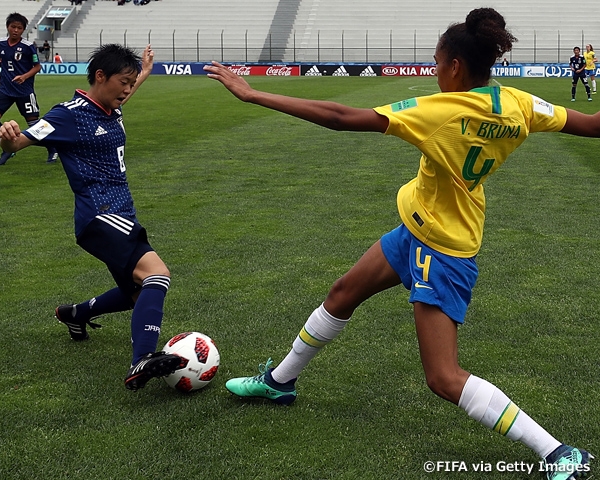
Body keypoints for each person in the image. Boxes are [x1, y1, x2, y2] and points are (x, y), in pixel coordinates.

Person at [205, 7, 594, 478]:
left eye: (436, 62)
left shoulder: (441, 111)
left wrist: (252, 95)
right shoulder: (520, 105)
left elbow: (340, 116)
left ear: (454, 67)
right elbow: (592, 124)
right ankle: (280, 382)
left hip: (443, 250)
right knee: (342, 293)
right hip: (418, 230)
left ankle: (557, 452)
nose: (433, 70)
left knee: (443, 378)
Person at [0, 44, 183, 391]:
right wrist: (7, 139)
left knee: (135, 295)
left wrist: (141, 71)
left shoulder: (111, 107)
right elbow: (19, 142)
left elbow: (126, 89)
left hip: (120, 213)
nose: (128, 91)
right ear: (100, 77)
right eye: (123, 83)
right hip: (100, 215)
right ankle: (141, 359)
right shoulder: (68, 114)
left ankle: (75, 314)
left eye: (132, 84)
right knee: (157, 275)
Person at [0, 12, 59, 166]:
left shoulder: (28, 47)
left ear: (23, 30)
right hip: (6, 90)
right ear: (7, 27)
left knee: (34, 126)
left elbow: (38, 66)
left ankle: (53, 146)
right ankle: (7, 149)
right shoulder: (0, 43)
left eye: (19, 28)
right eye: (13, 26)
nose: (15, 30)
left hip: (24, 92)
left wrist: (25, 76)